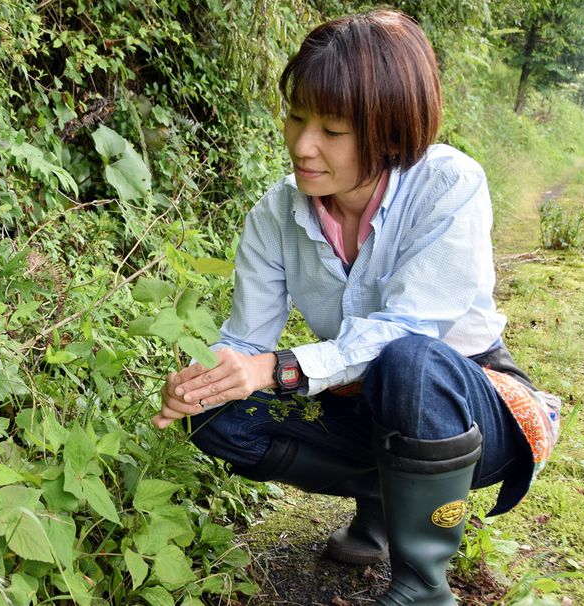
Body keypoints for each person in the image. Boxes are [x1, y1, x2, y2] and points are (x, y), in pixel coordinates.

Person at [151, 9, 561, 606]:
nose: (302, 145)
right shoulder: (277, 211)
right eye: (296, 118)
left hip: (465, 400)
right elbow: (246, 338)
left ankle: (423, 587)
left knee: (410, 364)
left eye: (332, 130)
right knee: (217, 415)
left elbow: (405, 330)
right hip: (362, 398)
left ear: (389, 131)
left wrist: (278, 369)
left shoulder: (449, 184)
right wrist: (209, 377)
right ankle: (385, 504)